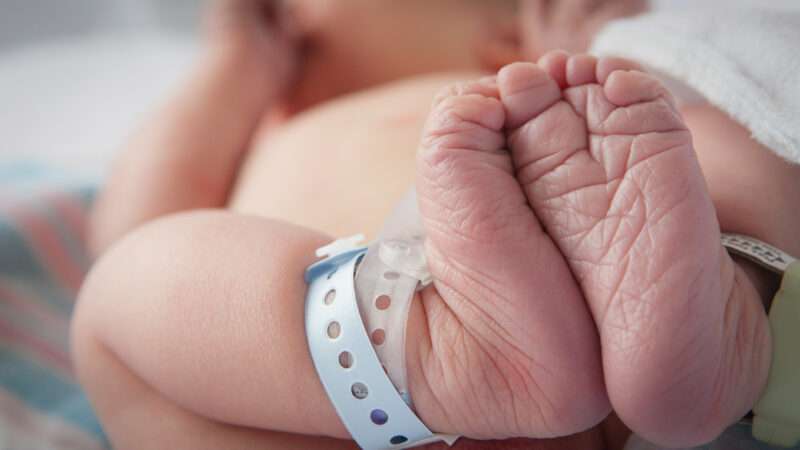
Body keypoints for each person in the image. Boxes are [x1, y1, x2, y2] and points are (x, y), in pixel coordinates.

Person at [71, 1, 800, 449]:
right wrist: (232, 67)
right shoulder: (260, 133)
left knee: (718, 126)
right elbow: (125, 224)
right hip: (339, 406)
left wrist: (610, 52)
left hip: (601, 336)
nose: (284, 18)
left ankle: (719, 308)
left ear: (505, 33)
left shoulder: (560, 113)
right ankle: (434, 350)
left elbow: (134, 226)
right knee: (131, 284)